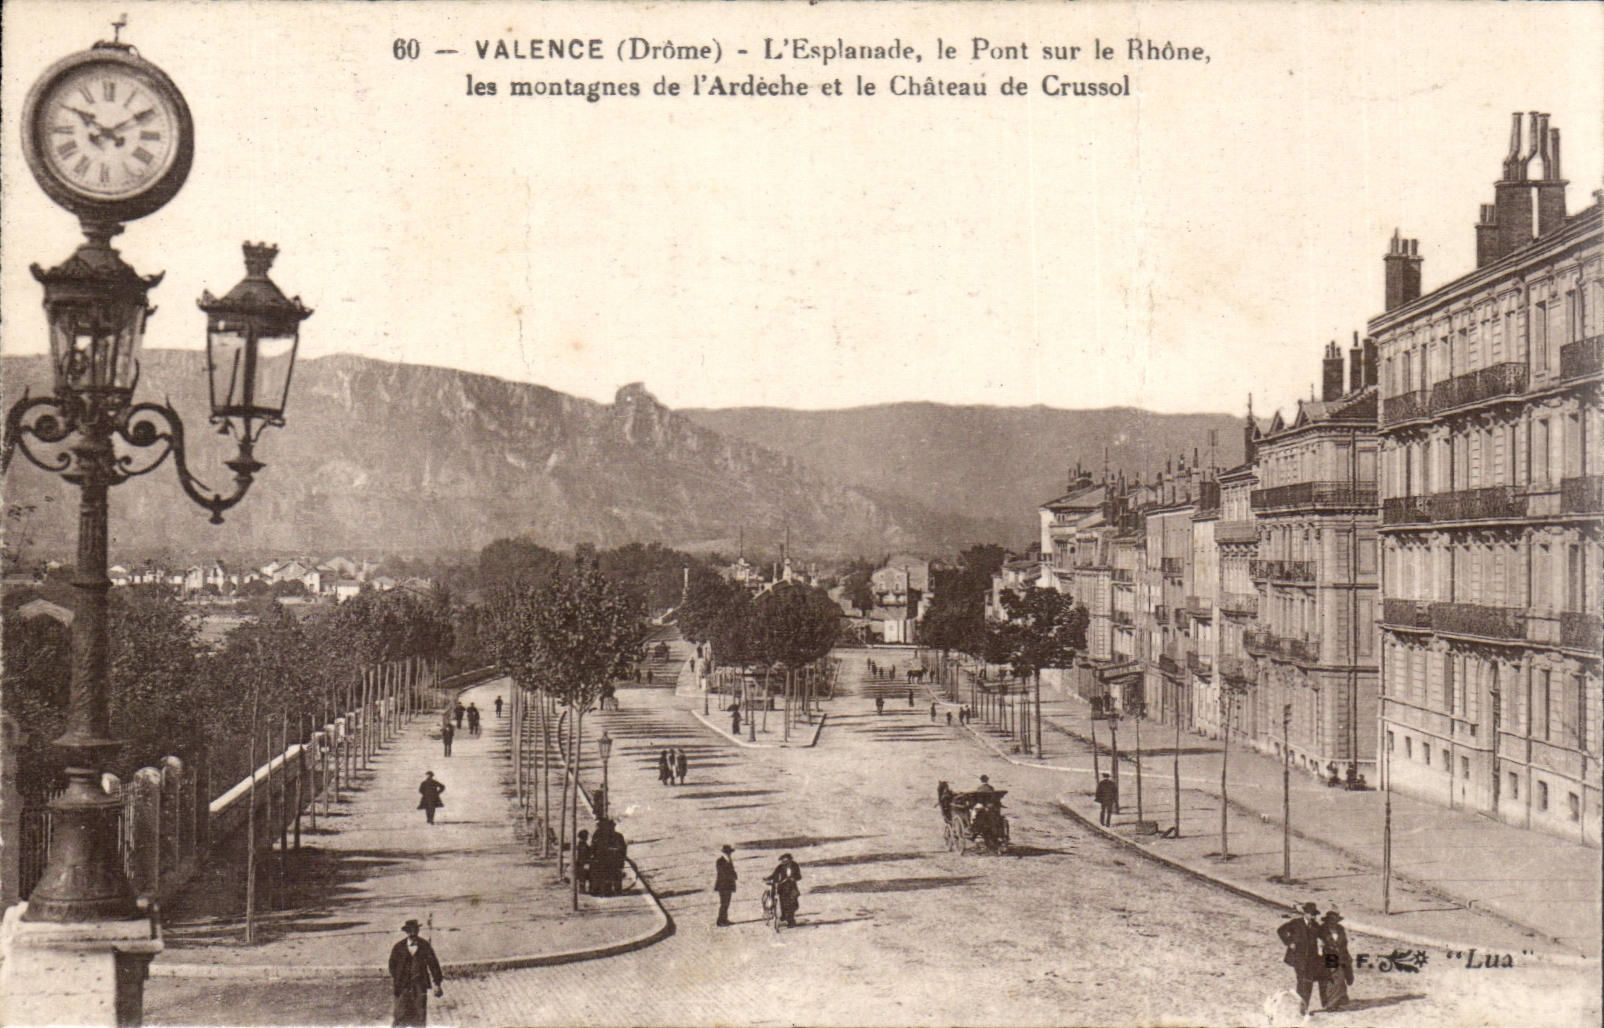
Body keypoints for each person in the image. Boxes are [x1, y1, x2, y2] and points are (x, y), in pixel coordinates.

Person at [388, 919, 443, 1027]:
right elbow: (392, 966)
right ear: (406, 932)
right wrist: (399, 978)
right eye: (410, 931)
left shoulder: (425, 946)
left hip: (419, 986)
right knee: (400, 1016)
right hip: (402, 987)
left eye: (415, 931)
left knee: (420, 1016)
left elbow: (434, 965)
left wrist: (437, 984)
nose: (413, 934)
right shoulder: (398, 947)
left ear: (418, 931)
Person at [1276, 902, 1326, 1015]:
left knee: (1309, 981)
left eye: (1315, 914)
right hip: (1298, 957)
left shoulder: (1315, 926)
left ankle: (1305, 1006)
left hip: (1312, 959)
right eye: (1311, 914)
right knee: (1301, 981)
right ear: (1306, 913)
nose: (1313, 917)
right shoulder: (1296, 923)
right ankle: (1301, 1006)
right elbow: (1281, 930)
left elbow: (1323, 935)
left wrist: (1323, 941)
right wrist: (1289, 942)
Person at [1318, 909, 1354, 1011]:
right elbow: (1318, 942)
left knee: (1341, 978)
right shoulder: (1322, 929)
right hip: (1329, 956)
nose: (1333, 922)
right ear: (1327, 920)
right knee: (1332, 979)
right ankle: (1330, 1004)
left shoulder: (1340, 929)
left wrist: (1347, 956)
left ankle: (1338, 1001)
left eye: (1335, 920)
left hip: (1342, 955)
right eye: (1330, 920)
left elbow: (1344, 943)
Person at [764, 853, 803, 928]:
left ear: (790, 860)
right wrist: (768, 878)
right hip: (782, 888)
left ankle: (789, 918)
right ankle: (789, 920)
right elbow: (774, 874)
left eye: (786, 861)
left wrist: (794, 878)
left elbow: (799, 876)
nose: (784, 863)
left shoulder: (795, 866)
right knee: (784, 904)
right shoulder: (780, 866)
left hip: (792, 888)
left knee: (792, 904)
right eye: (783, 861)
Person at [714, 844, 738, 926]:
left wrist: (734, 875)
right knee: (724, 903)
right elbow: (722, 873)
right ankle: (720, 920)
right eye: (729, 852)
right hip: (723, 885)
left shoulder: (729, 860)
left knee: (726, 903)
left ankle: (724, 919)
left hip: (728, 885)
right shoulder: (720, 861)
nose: (730, 854)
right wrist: (732, 876)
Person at [575, 830, 592, 895]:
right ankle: (582, 890)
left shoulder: (581, 844)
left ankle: (582, 889)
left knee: (582, 877)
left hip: (580, 863)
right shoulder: (583, 845)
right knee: (583, 877)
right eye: (587, 836)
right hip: (583, 864)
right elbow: (584, 855)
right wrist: (586, 863)